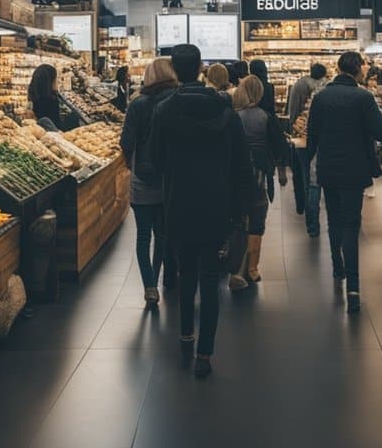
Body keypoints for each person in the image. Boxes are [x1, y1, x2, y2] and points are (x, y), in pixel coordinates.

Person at [150, 44, 251, 378]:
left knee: (184, 274)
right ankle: (205, 353)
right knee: (210, 278)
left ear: (177, 72)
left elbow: (154, 162)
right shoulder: (227, 114)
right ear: (202, 69)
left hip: (178, 203)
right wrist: (240, 210)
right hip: (216, 205)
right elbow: (242, 167)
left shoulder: (163, 111)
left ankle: (185, 335)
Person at [306, 51, 382, 313]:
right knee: (352, 225)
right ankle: (353, 289)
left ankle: (337, 267)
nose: (366, 70)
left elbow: (312, 136)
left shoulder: (321, 98)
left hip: (328, 168)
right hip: (354, 170)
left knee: (333, 219)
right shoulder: (363, 97)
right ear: (357, 69)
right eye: (364, 66)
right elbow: (381, 131)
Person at [119, 58, 178, 308]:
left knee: (143, 236)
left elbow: (126, 142)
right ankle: (156, 277)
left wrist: (130, 163)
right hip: (170, 179)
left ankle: (149, 286)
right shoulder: (176, 101)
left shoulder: (138, 104)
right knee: (163, 235)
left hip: (142, 179)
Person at [229, 75, 289, 290]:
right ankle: (252, 268)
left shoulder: (234, 116)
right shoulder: (266, 117)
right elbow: (281, 147)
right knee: (257, 219)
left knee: (237, 219)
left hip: (235, 175)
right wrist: (281, 171)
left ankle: (234, 265)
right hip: (259, 175)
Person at [287, 63, 327, 224]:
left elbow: (293, 111)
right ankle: (311, 216)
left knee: (302, 174)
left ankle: (303, 209)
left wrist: (292, 129)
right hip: (316, 139)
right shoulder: (323, 88)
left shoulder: (298, 84)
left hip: (300, 136)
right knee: (312, 179)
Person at [248, 59, 283, 196]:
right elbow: (271, 108)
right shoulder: (269, 86)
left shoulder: (249, 85)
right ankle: (270, 181)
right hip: (267, 121)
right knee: (267, 152)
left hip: (254, 119)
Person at [27, 64, 60, 130]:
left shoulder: (33, 98)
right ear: (50, 81)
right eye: (55, 78)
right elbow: (57, 124)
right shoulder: (51, 101)